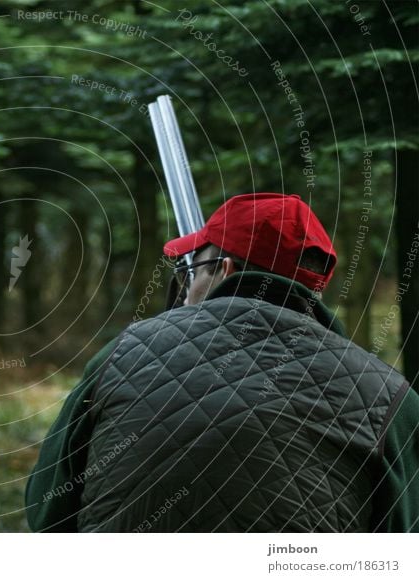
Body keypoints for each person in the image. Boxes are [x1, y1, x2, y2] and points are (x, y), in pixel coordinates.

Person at [25, 193, 419, 532]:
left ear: (224, 269)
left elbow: (46, 511)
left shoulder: (121, 353)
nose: (186, 287)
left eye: (192, 270)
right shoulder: (389, 396)